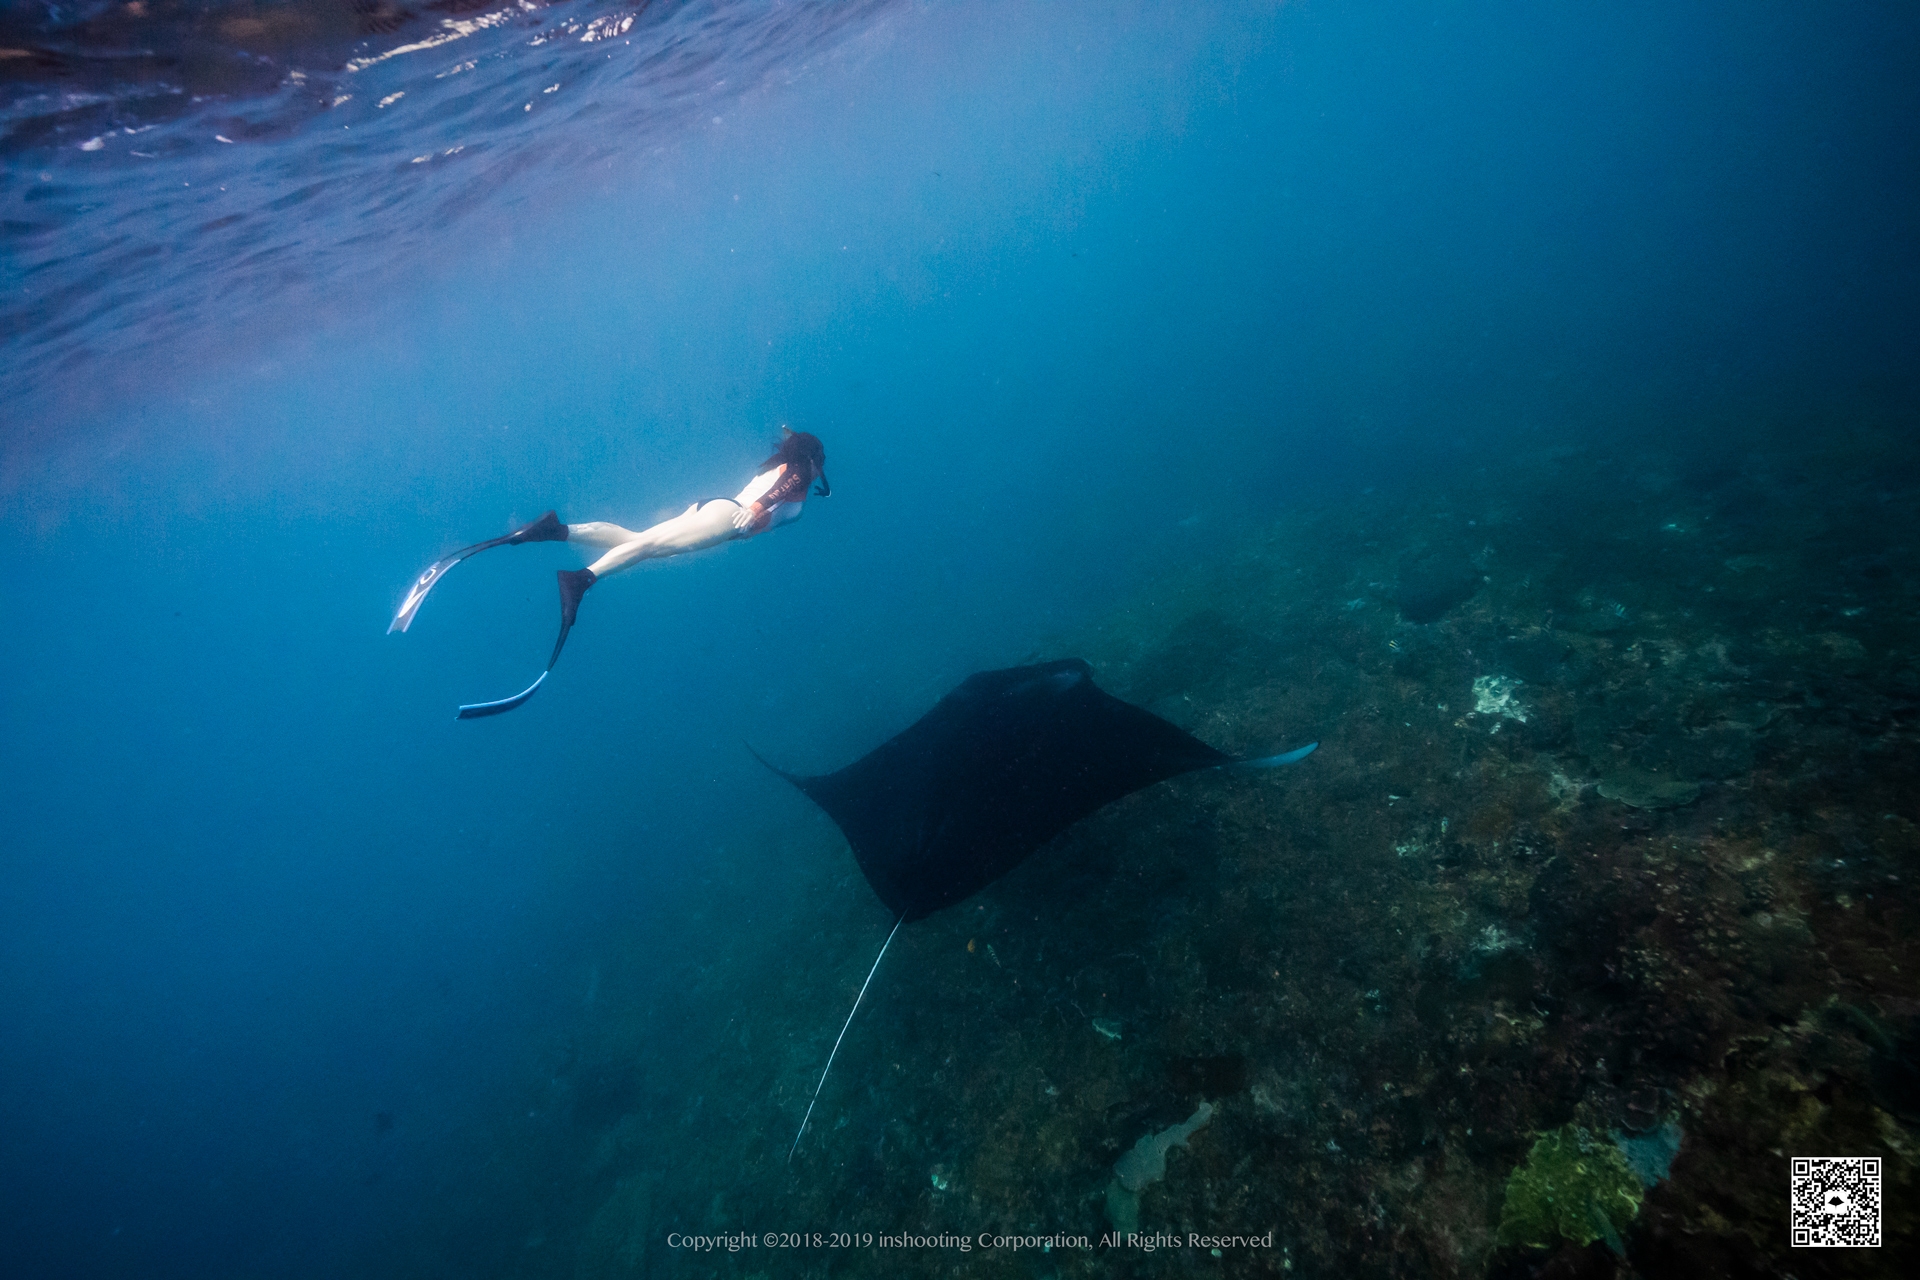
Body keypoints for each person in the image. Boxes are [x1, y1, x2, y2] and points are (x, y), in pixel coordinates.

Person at [390, 427, 829, 718]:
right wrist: (759, 506)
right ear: (812, 461)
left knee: (638, 541)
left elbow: (785, 475)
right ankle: (581, 579)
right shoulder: (796, 480)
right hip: (729, 517)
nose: (815, 471)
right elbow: (788, 482)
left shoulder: (784, 470)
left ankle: (554, 531)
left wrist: (760, 500)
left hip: (714, 507)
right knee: (648, 547)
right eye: (817, 463)